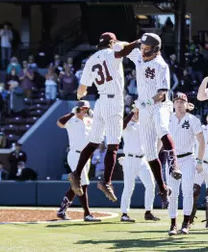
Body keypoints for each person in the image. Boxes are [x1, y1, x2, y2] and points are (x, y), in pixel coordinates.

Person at [68, 33, 138, 202]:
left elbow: (81, 91)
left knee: (93, 143)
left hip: (100, 102)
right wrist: (137, 41)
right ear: (112, 42)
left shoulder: (91, 59)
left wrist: (81, 94)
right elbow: (124, 49)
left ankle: (76, 174)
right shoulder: (113, 50)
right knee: (113, 146)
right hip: (114, 102)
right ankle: (106, 181)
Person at [126, 33, 182, 208]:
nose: (142, 51)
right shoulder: (139, 56)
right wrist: (130, 42)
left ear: (156, 49)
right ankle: (163, 188)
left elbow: (162, 94)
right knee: (149, 152)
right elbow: (123, 48)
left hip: (159, 105)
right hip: (144, 108)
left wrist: (148, 101)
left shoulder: (161, 65)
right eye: (142, 48)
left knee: (162, 127)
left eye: (146, 48)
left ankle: (174, 164)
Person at [167, 93, 205, 236]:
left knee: (187, 191)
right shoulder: (167, 118)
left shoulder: (192, 119)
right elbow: (160, 138)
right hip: (172, 159)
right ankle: (172, 224)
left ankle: (186, 223)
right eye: (176, 101)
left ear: (187, 104)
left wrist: (200, 161)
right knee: (172, 193)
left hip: (188, 158)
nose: (178, 104)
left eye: (181, 101)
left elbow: (201, 141)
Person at [56, 101, 100, 222]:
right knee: (83, 184)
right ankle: (87, 213)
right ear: (78, 108)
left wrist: (93, 114)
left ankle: (62, 210)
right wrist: (72, 112)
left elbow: (100, 126)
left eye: (86, 108)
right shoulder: (71, 119)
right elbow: (59, 123)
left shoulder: (89, 120)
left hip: (86, 156)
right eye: (83, 108)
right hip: (75, 154)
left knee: (76, 184)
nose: (85, 110)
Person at [119, 106, 160, 223]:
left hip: (142, 159)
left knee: (151, 185)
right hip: (130, 158)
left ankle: (148, 212)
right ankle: (124, 213)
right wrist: (132, 113)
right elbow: (121, 125)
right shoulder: (127, 125)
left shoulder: (143, 125)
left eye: (138, 113)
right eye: (135, 112)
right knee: (129, 187)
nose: (137, 114)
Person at [191, 113, 208, 229]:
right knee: (194, 192)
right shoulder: (201, 129)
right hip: (200, 163)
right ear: (207, 118)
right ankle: (189, 220)